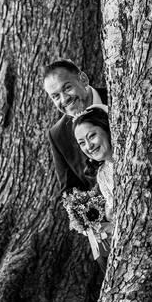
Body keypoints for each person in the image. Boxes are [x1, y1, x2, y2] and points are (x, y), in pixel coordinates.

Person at [42, 59, 108, 193]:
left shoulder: (117, 98)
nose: (64, 99)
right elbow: (70, 189)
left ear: (83, 79)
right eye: (55, 96)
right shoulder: (57, 135)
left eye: (67, 88)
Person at [73, 106, 116, 266]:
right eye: (82, 143)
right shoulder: (102, 174)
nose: (89, 146)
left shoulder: (129, 159)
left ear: (107, 129)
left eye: (92, 136)